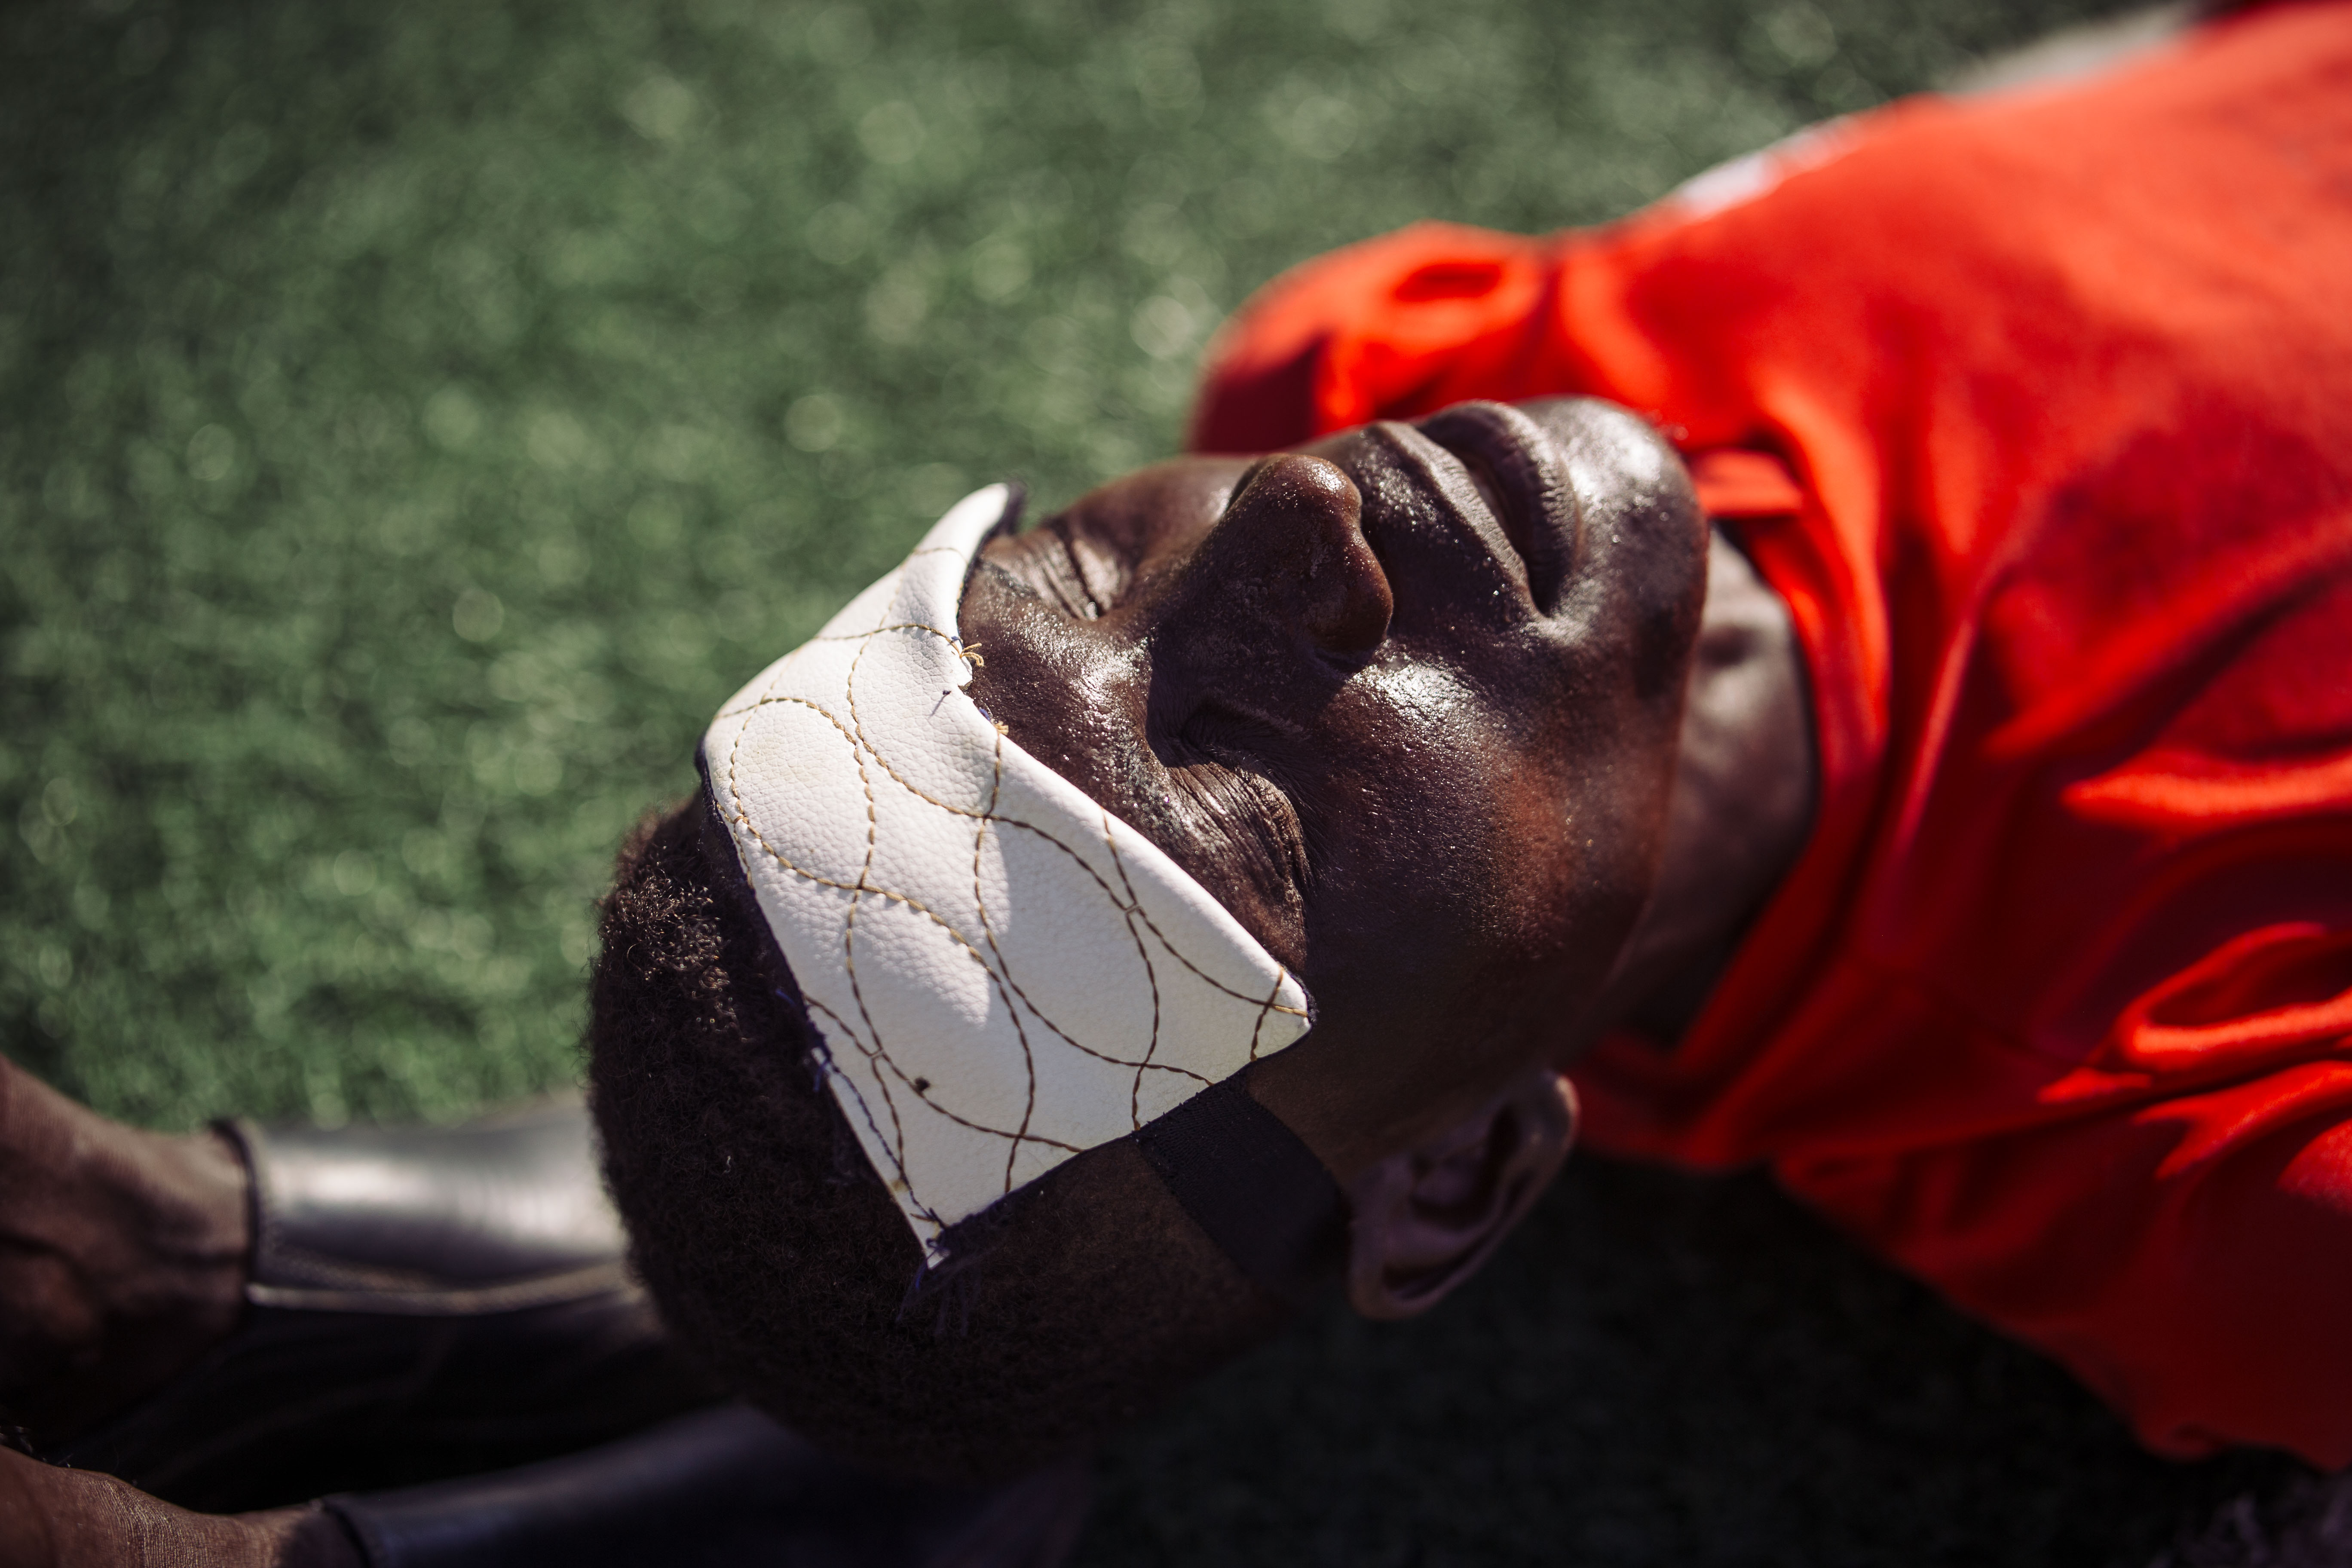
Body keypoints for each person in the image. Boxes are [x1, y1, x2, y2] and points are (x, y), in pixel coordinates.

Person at [588, 0, 2352, 1486]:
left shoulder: (1367, 355)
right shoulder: (2205, 1151)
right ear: (1459, 1175)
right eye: (1246, 817)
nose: (1298, 508)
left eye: (1079, 566)